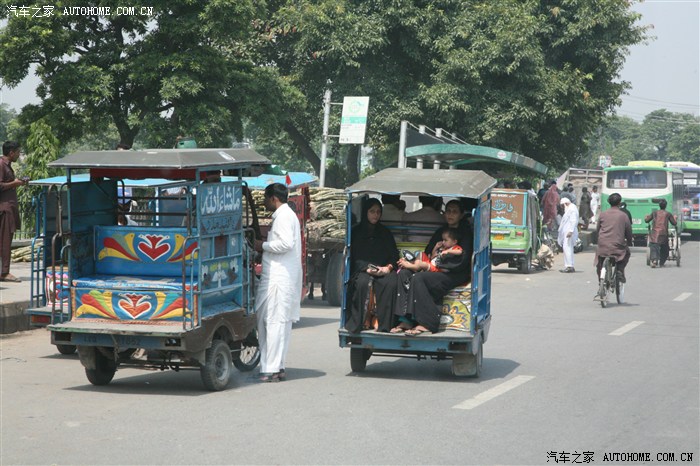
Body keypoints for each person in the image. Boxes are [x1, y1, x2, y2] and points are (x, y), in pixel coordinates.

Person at [393, 199, 473, 335]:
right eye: (448, 211)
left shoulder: (465, 233)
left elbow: (462, 260)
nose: (450, 214)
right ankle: (405, 319)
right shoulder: (442, 231)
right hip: (434, 268)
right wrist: (430, 258)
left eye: (454, 212)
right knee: (404, 274)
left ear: (460, 215)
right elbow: (429, 251)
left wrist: (435, 265)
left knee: (419, 278)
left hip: (453, 273)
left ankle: (427, 322)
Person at [254, 183, 303, 382]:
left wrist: (262, 245)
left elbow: (285, 243)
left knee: (273, 322)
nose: (264, 202)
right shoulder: (286, 215)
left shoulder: (284, 216)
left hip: (279, 276)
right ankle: (277, 366)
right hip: (281, 275)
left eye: (266, 198)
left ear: (273, 198)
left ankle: (270, 368)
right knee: (276, 322)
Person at [344, 198, 399, 334]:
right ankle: (363, 321)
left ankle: (384, 323)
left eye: (378, 212)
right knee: (362, 283)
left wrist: (387, 268)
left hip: (383, 269)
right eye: (372, 211)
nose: (375, 215)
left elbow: (394, 255)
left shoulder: (385, 233)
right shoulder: (356, 232)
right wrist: (367, 269)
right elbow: (355, 257)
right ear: (365, 212)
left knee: (391, 282)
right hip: (363, 269)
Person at [0, 141, 28, 283]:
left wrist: (18, 183)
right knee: (5, 241)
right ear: (11, 152)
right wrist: (14, 183)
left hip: (9, 208)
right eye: (17, 152)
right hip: (4, 209)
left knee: (5, 241)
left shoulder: (7, 166)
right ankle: (4, 273)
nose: (18, 155)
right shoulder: (1, 165)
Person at [595, 193, 633, 284]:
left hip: (603, 245)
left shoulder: (603, 214)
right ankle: (620, 270)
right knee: (626, 253)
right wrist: (629, 241)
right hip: (617, 246)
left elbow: (597, 229)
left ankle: (601, 281)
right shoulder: (623, 215)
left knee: (599, 260)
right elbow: (629, 231)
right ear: (619, 203)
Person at [644, 200, 677, 268]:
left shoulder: (654, 213)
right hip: (663, 234)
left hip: (655, 234)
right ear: (666, 206)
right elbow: (674, 223)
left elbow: (647, 220)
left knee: (654, 247)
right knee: (665, 249)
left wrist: (645, 217)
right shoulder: (668, 214)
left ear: (659, 205)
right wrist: (675, 218)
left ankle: (654, 260)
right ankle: (661, 262)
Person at [558, 197, 579, 273]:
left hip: (569, 232)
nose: (562, 208)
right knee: (567, 248)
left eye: (562, 206)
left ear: (566, 204)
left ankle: (569, 266)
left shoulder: (572, 209)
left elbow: (573, 220)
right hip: (567, 231)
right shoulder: (569, 209)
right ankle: (569, 265)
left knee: (567, 248)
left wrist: (570, 231)